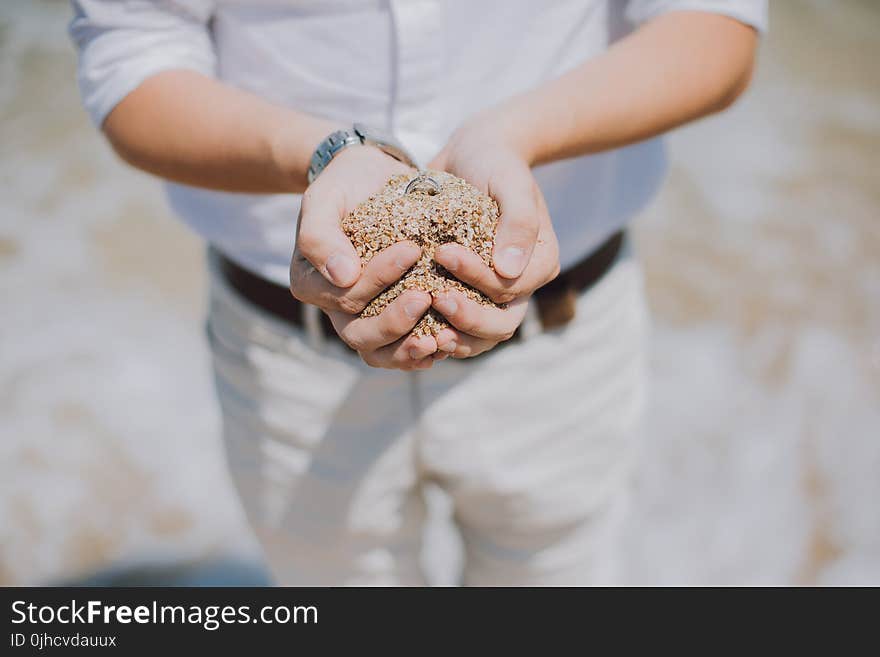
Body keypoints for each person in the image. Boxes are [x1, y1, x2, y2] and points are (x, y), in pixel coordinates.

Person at [70, 0, 765, 585]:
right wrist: (322, 153)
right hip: (288, 356)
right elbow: (131, 53)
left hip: (559, 344)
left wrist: (513, 135)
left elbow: (715, 28)